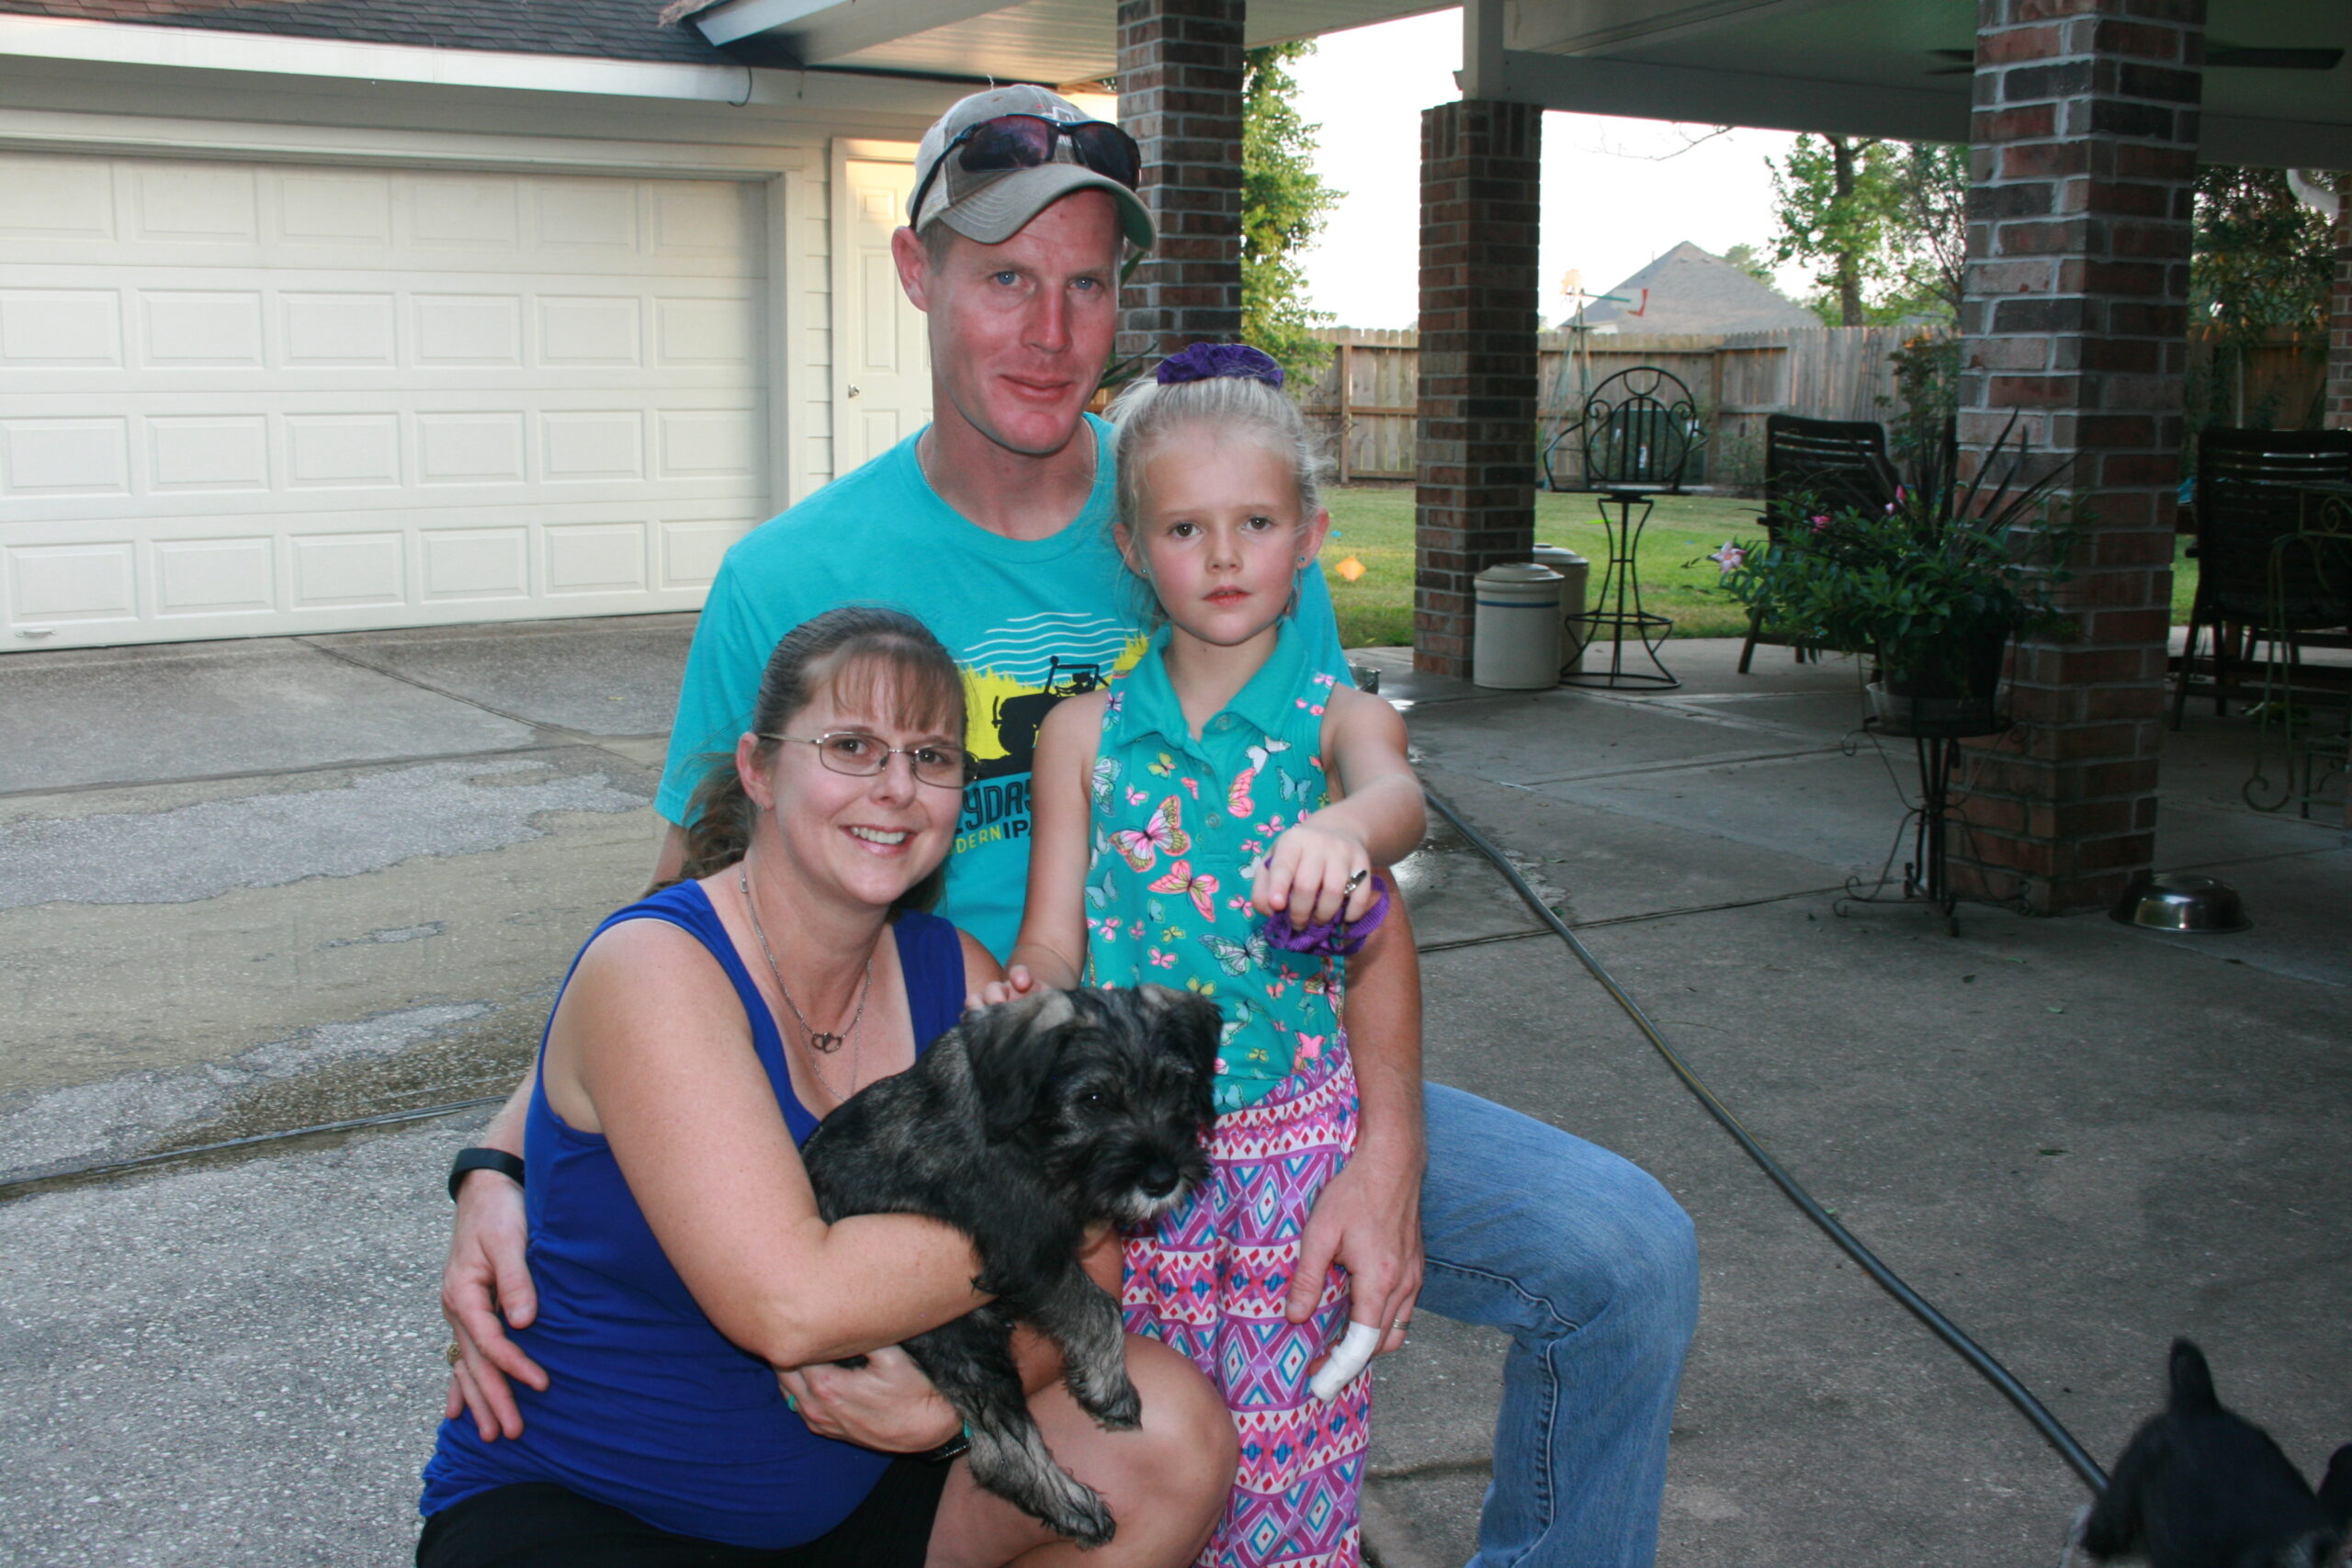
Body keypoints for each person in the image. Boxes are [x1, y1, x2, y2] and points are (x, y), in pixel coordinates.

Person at [443, 84, 1700, 1568]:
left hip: (1260, 1078)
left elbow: (1355, 883)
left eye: (1088, 284)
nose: (1049, 331)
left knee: (1625, 1256)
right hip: (971, 1115)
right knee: (1153, 1429)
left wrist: (1388, 1153)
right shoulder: (788, 578)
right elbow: (671, 923)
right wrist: (502, 1161)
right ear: (918, 274)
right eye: (1006, 279)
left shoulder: (1207, 506)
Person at [417, 606, 1237, 1567]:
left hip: (871, 1493)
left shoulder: (958, 979)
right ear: (759, 769)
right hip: (600, 1508)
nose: (897, 787)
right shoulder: (656, 967)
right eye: (852, 747)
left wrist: (956, 1404)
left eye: (931, 757)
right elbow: (789, 1303)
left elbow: (1092, 1278)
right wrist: (1061, 1210)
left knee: (1167, 1435)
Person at [978, 342, 1424, 1566]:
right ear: (1133, 547)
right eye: (1185, 528)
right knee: (1153, 1433)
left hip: (1293, 1150)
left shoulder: (1340, 721)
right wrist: (1029, 993)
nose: (1223, 556)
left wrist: (1339, 831)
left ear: (1310, 535)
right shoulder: (1081, 733)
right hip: (1136, 1155)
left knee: (1284, 1445)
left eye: (1256, 522)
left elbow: (1400, 801)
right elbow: (1054, 930)